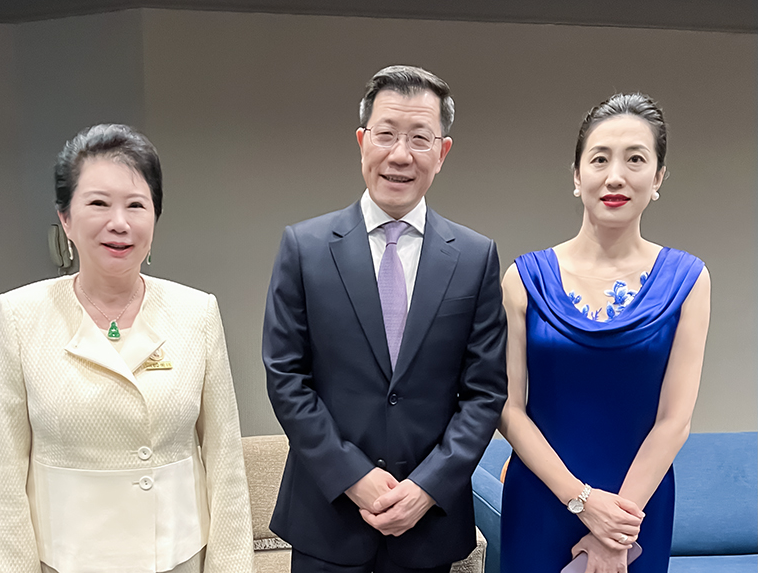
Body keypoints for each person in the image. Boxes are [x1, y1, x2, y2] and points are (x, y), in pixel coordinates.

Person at [262, 65, 508, 573]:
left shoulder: (475, 257)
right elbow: (286, 377)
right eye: (386, 134)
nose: (400, 155)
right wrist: (352, 476)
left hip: (427, 526)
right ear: (362, 142)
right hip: (326, 519)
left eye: (420, 138)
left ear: (442, 153)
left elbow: (484, 392)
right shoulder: (305, 248)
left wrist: (427, 487)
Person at [0, 124, 254, 573]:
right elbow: (3, 478)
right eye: (98, 203)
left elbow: (224, 463)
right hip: (66, 562)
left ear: (155, 218)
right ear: (65, 218)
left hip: (177, 557)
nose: (120, 223)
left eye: (136, 205)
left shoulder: (197, 312)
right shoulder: (18, 316)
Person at [498, 93, 711, 573]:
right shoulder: (523, 278)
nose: (616, 176)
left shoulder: (689, 280)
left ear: (658, 178)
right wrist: (582, 501)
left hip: (637, 511)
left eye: (635, 159)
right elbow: (508, 409)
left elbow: (674, 420)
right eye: (599, 159)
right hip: (543, 499)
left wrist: (615, 530)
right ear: (577, 176)